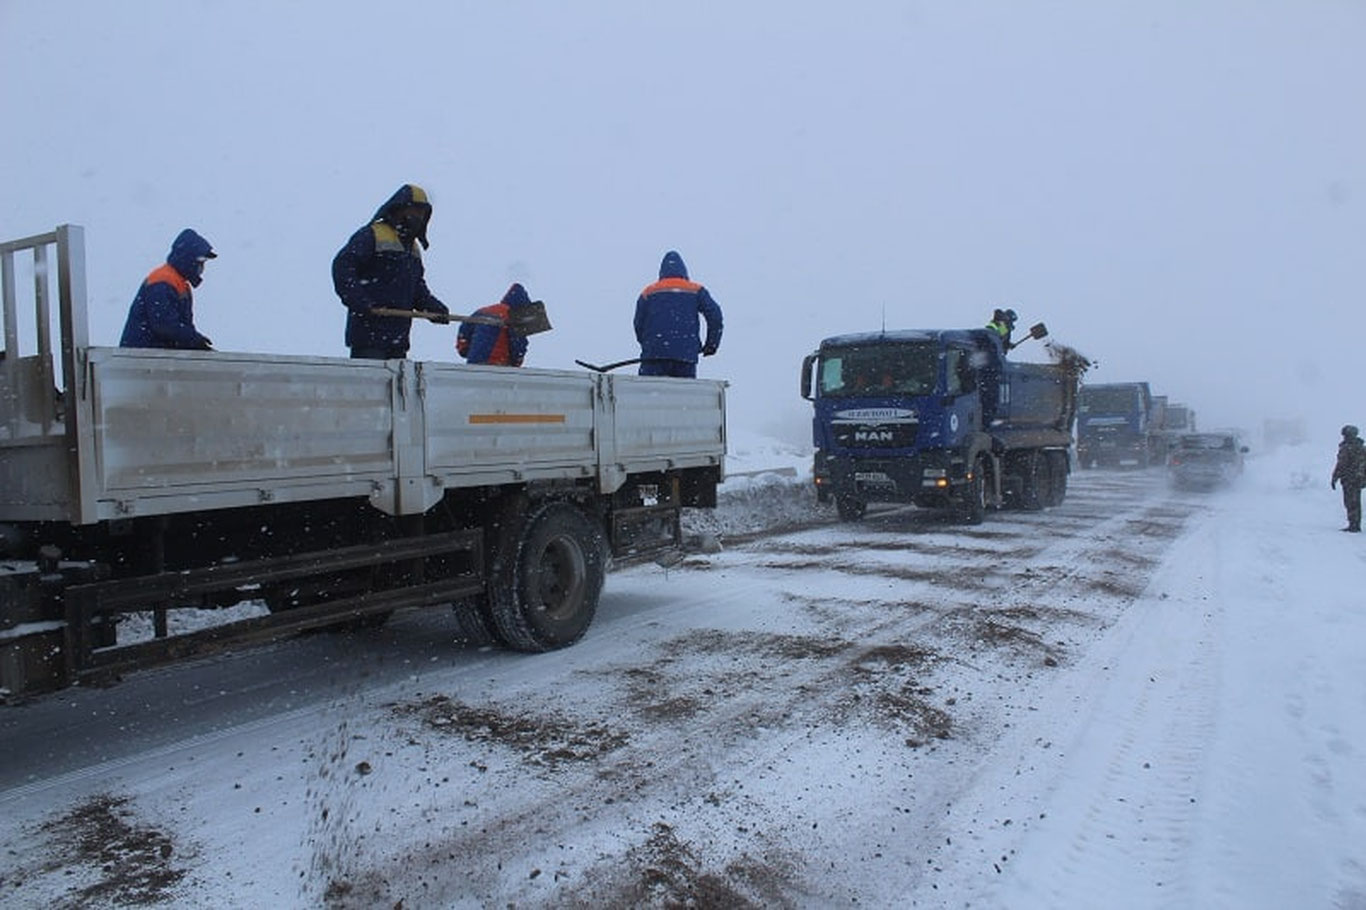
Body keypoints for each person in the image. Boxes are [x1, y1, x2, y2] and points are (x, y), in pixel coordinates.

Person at [332, 184, 449, 359]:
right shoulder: (372, 235)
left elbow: (416, 287)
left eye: (422, 212)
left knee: (396, 385)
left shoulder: (412, 249)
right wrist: (360, 302)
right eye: (414, 210)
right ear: (399, 208)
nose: (418, 217)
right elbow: (343, 266)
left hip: (398, 339)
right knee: (371, 384)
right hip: (368, 337)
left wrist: (432, 307)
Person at [119, 229, 217, 350]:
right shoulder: (162, 281)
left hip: (156, 358)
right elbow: (164, 324)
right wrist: (194, 340)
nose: (202, 267)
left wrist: (195, 342)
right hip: (142, 359)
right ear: (187, 259)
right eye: (200, 261)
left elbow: (179, 327)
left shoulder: (181, 284)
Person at [633, 250, 723, 378]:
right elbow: (715, 316)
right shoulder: (696, 290)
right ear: (684, 271)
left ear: (661, 272)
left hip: (654, 357)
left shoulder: (648, 292)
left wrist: (650, 345)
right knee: (684, 395)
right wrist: (711, 344)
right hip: (685, 357)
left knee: (648, 394)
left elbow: (638, 324)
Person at [457, 282, 533, 366]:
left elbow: (465, 329)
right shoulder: (513, 316)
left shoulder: (482, 311)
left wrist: (464, 349)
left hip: (474, 362)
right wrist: (517, 361)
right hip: (497, 364)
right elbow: (518, 343)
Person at [1330, 424, 1366, 532]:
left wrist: (1334, 477)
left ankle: (1354, 525)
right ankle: (1354, 524)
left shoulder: (1347, 447)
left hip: (1351, 479)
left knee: (1351, 502)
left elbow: (1341, 464)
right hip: (1355, 479)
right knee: (1354, 502)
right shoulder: (1361, 447)